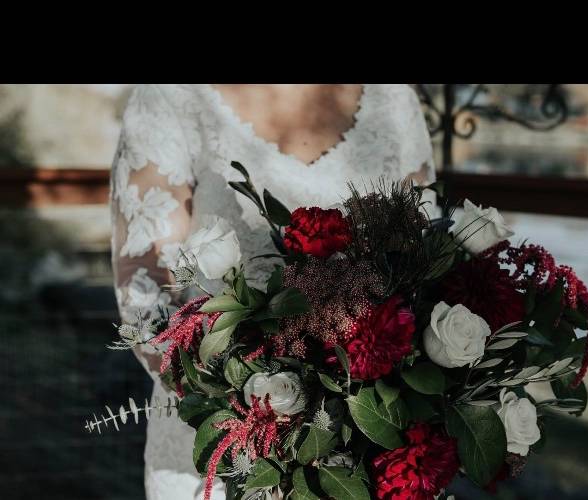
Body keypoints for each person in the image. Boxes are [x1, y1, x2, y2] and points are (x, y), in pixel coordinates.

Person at [110, 84, 436, 499]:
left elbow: (422, 267)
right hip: (224, 449)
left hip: (365, 453)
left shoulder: (393, 98)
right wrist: (254, 409)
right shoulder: (170, 96)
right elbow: (144, 288)